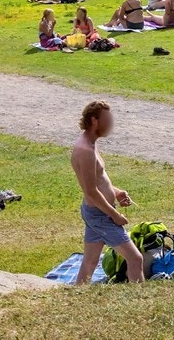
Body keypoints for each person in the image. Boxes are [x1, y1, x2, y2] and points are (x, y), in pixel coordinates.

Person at [71, 101, 143, 285]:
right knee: (135, 259)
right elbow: (91, 191)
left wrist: (117, 193)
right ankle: (142, 301)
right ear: (94, 120)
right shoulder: (85, 150)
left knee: (90, 261)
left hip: (96, 212)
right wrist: (115, 215)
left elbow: (99, 180)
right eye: (107, 120)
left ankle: (78, 295)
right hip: (100, 215)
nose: (111, 124)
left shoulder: (91, 144)